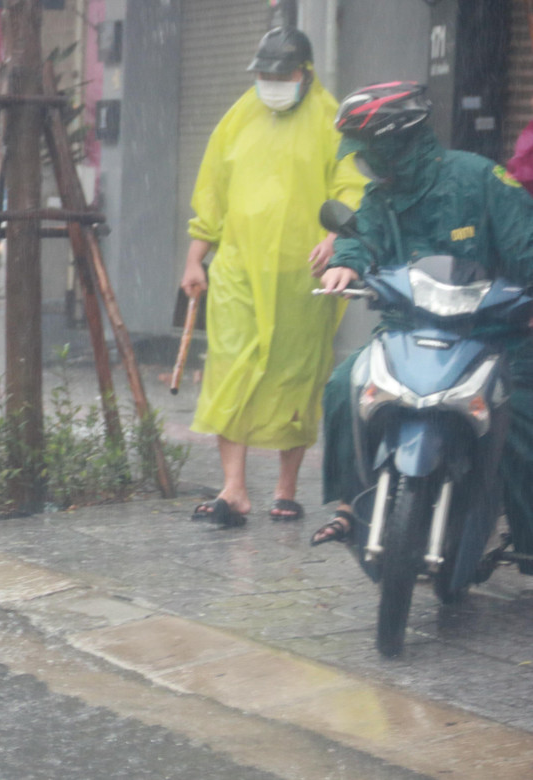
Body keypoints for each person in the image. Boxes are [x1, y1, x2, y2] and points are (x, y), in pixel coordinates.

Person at [310, 82, 533, 558]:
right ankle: (354, 503)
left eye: (369, 150)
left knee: (519, 424)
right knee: (343, 386)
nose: (364, 161)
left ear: (398, 141)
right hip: (406, 336)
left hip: (495, 338)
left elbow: (525, 246)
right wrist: (344, 262)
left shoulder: (481, 179)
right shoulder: (380, 197)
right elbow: (359, 237)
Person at [179, 27, 366, 527]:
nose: (272, 83)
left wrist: (338, 237)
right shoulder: (238, 119)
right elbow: (213, 191)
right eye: (264, 75)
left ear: (305, 75)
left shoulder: (333, 122)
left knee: (295, 375)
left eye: (282, 75)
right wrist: (196, 257)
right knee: (231, 369)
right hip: (239, 269)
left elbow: (350, 186)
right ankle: (233, 489)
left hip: (302, 275)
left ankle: (285, 490)